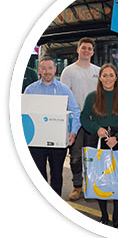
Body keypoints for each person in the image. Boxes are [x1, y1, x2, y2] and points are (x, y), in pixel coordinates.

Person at [80, 63, 118, 229]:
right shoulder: (92, 97)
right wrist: (97, 129)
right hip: (98, 141)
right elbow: (84, 119)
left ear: (116, 77)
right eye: (105, 75)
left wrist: (117, 137)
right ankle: (103, 215)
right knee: (99, 178)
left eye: (111, 75)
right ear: (100, 78)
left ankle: (116, 216)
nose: (108, 78)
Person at [24, 56, 81, 196]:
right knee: (38, 175)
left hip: (58, 142)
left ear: (55, 69)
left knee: (57, 175)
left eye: (50, 68)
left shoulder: (64, 89)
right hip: (36, 142)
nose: (47, 71)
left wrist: (73, 132)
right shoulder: (30, 90)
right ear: (39, 70)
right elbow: (23, 114)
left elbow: (75, 110)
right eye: (44, 68)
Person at [60, 37, 100, 201]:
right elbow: (64, 97)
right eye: (83, 48)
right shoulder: (68, 71)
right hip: (75, 120)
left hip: (93, 119)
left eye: (89, 48)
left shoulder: (98, 71)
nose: (86, 51)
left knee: (91, 155)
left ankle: (90, 186)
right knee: (75, 156)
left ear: (92, 51)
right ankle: (77, 186)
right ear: (77, 50)